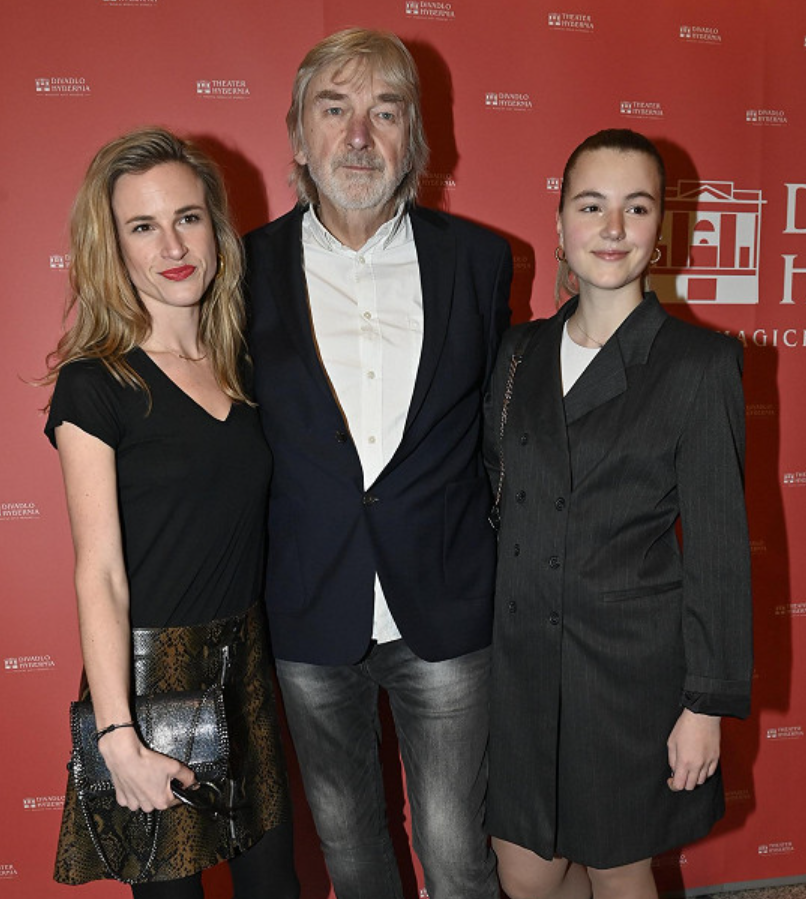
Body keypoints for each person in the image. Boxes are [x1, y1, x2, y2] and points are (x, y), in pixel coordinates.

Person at [244, 27, 512, 899]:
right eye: (334, 110)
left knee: (457, 851)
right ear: (298, 137)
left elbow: (499, 429)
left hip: (447, 601)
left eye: (384, 113)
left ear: (414, 139)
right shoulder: (242, 270)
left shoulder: (479, 261)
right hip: (309, 607)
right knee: (350, 847)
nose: (358, 137)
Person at [484, 128, 753, 899]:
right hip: (523, 666)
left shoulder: (698, 365)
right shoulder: (517, 354)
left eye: (635, 208)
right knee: (526, 873)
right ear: (561, 220)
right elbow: (496, 495)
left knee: (618, 867)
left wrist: (704, 705)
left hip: (628, 674)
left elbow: (719, 547)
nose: (611, 228)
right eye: (591, 205)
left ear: (661, 226)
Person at [44, 127, 299, 898]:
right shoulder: (94, 384)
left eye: (187, 217)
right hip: (150, 688)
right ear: (113, 248)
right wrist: (117, 734)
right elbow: (100, 573)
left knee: (275, 886)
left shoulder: (243, 365)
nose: (173, 246)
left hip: (245, 670)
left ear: (215, 227)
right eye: (143, 226)